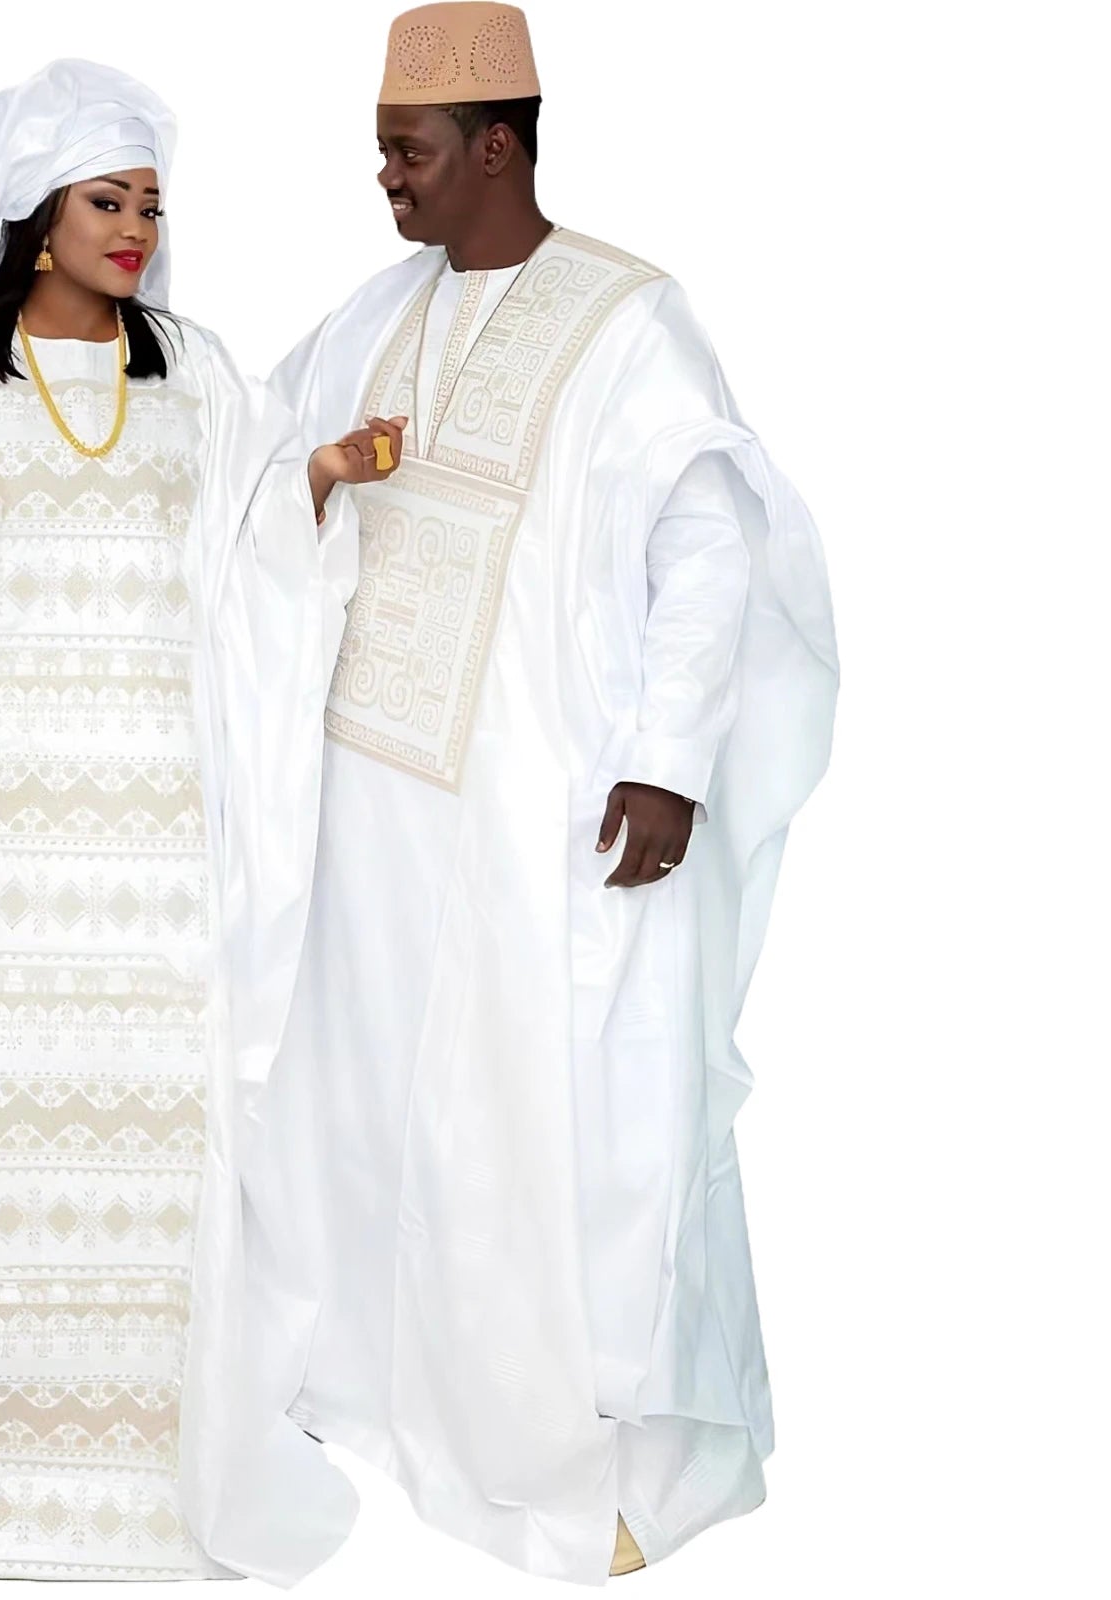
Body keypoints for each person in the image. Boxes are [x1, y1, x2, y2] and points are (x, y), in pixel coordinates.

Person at [255, 2, 839, 1584]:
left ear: (498, 145)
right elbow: (253, 469)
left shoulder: (631, 319)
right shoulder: (375, 311)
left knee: (539, 1106)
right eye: (383, 149)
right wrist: (315, 479)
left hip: (542, 803)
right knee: (358, 1086)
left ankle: (562, 1436)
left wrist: (667, 759)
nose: (387, 178)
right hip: (367, 800)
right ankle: (357, 1380)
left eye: (410, 151)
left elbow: (708, 540)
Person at [0, 59, 402, 1583]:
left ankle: (153, 1489)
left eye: (151, 203)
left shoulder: (196, 373)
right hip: (0, 824)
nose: (138, 227)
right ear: (38, 214)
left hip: (156, 828)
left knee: (156, 1135)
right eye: (109, 201)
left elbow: (256, 543)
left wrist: (322, 476)